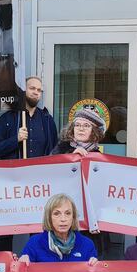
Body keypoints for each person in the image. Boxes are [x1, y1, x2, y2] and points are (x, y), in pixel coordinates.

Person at [0, 76, 58, 253]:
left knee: (37, 229)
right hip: (12, 183)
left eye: (39, 90)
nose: (36, 92)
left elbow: (54, 150)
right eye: (32, 88)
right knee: (7, 229)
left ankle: (33, 264)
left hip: (37, 184)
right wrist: (16, 139)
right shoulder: (7, 119)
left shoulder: (46, 120)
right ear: (23, 91)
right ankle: (4, 265)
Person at [51, 108, 109, 257]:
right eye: (77, 125)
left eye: (86, 125)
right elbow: (50, 172)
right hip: (64, 216)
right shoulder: (61, 149)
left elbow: (103, 193)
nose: (81, 129)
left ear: (94, 131)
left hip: (89, 222)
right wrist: (70, 157)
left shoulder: (99, 158)